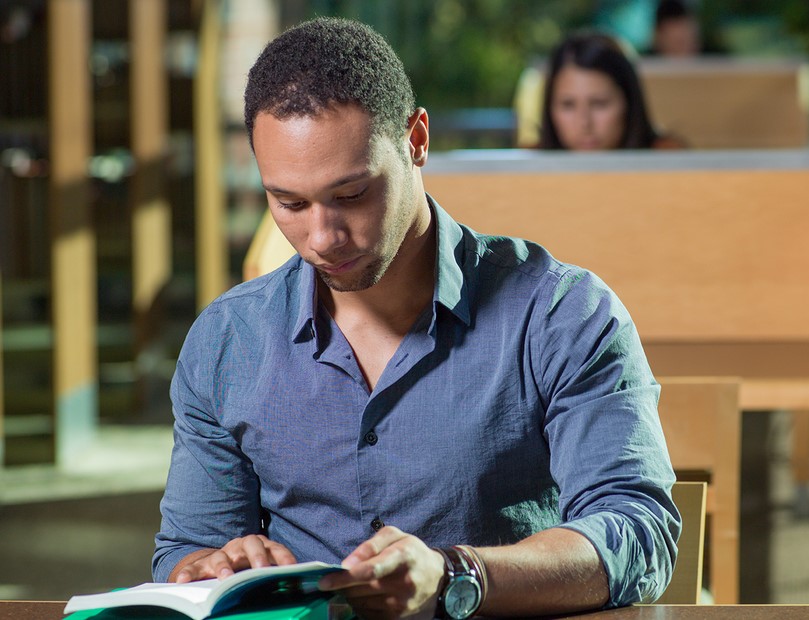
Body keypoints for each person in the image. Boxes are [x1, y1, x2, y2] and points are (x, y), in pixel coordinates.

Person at [154, 17, 679, 619]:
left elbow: (640, 536)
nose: (322, 237)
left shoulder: (561, 314)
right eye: (290, 203)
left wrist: (456, 575)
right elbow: (185, 549)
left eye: (351, 195)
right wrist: (212, 566)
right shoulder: (227, 340)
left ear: (417, 140)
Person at [538, 32, 685, 150]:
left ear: (628, 101)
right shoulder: (524, 167)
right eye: (568, 105)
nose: (584, 122)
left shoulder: (670, 161)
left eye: (599, 104)